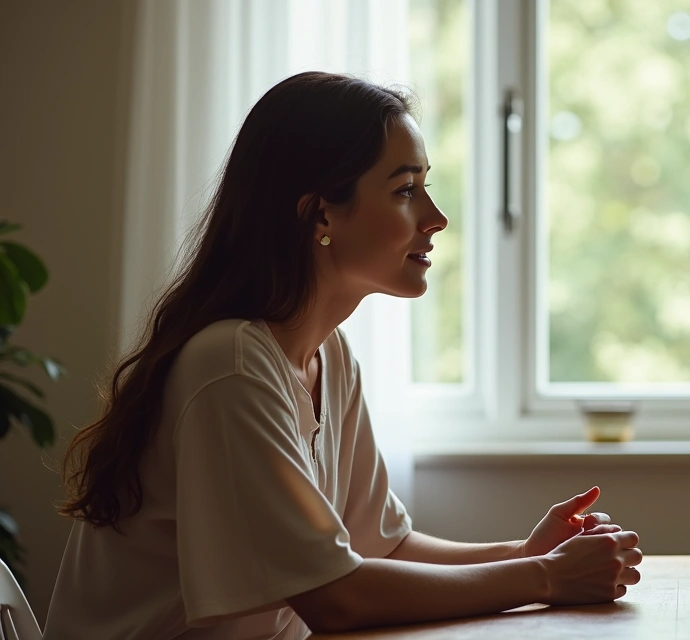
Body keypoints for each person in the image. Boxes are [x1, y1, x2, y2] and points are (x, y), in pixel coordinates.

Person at [45, 72, 642, 639]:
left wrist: (527, 553)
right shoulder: (229, 366)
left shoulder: (326, 355)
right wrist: (544, 578)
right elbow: (335, 597)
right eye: (406, 190)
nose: (436, 218)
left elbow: (382, 545)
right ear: (320, 213)